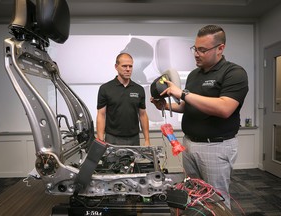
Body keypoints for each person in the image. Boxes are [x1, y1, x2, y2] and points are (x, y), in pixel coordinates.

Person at [151, 25, 248, 208]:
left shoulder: (234, 73)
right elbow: (187, 106)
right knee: (194, 195)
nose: (196, 54)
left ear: (220, 48)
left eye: (202, 50)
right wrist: (166, 105)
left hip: (216, 146)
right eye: (195, 49)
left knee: (216, 199)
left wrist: (183, 94)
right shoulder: (194, 75)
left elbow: (225, 108)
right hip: (189, 144)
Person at [96, 53, 150, 146]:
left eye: (130, 66)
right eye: (124, 66)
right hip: (112, 138)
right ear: (116, 67)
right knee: (112, 161)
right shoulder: (105, 88)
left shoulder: (139, 89)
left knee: (133, 161)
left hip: (134, 138)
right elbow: (101, 115)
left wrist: (147, 140)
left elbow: (143, 115)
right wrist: (100, 139)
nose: (128, 69)